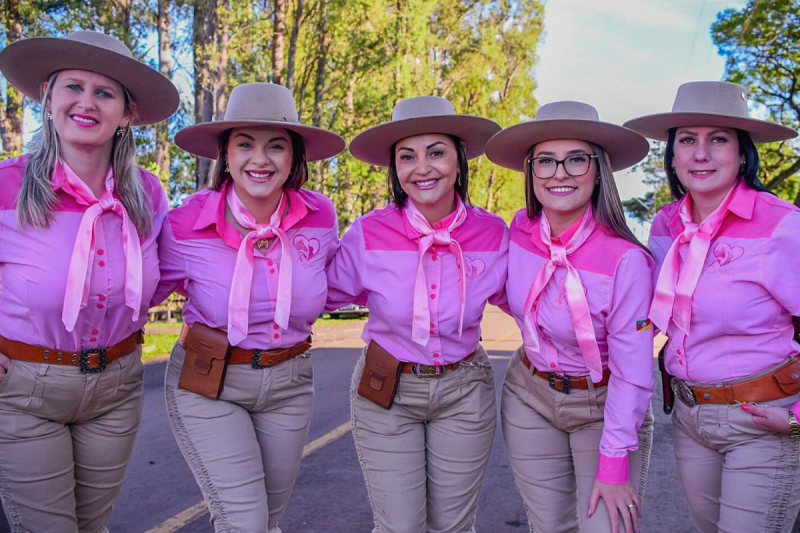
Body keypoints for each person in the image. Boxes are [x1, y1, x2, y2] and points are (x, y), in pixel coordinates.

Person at [0, 30, 179, 532]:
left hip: (117, 387)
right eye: (73, 87)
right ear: (48, 98)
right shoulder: (6, 185)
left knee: (93, 525)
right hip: (24, 389)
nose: (86, 102)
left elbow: (164, 276)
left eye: (104, 92)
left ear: (126, 114)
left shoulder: (146, 193)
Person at [153, 82, 344, 533]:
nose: (260, 159)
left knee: (268, 520)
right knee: (245, 521)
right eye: (245, 145)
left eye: (276, 146)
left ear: (294, 157)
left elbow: (341, 281)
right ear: (225, 153)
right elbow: (134, 290)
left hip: (290, 383)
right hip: (208, 380)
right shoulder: (184, 222)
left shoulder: (321, 216)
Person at [625, 80, 800, 533]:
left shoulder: (781, 225)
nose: (700, 154)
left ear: (743, 153)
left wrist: (799, 421)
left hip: (763, 421)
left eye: (718, 139)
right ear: (673, 155)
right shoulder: (664, 224)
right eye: (687, 140)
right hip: (689, 417)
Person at [326, 96, 505, 532]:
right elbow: (318, 295)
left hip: (465, 392)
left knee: (454, 526)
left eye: (436, 152)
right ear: (395, 169)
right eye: (407, 156)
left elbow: (534, 300)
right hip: (387, 387)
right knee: (399, 526)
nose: (422, 167)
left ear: (459, 162)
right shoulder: (368, 233)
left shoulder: (493, 233)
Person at [485, 101, 654, 533]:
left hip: (603, 406)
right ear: (531, 172)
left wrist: (614, 461)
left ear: (598, 170)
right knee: (549, 527)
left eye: (576, 159)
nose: (560, 172)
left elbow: (633, 371)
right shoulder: (520, 228)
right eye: (546, 161)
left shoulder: (627, 260)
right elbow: (509, 296)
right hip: (530, 396)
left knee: (606, 527)